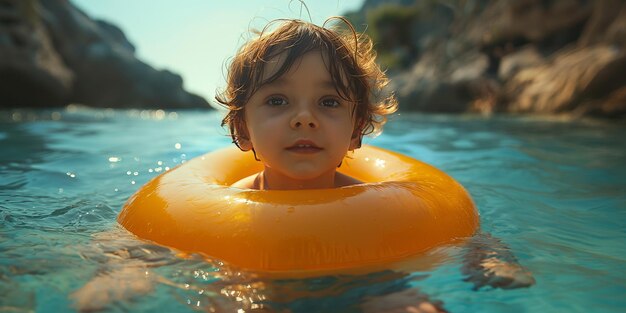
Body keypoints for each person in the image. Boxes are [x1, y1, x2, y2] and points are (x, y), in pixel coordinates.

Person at [216, 17, 397, 190]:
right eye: (277, 101)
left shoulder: (372, 209)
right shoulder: (227, 211)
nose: (304, 118)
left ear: (356, 130)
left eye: (329, 102)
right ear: (243, 129)